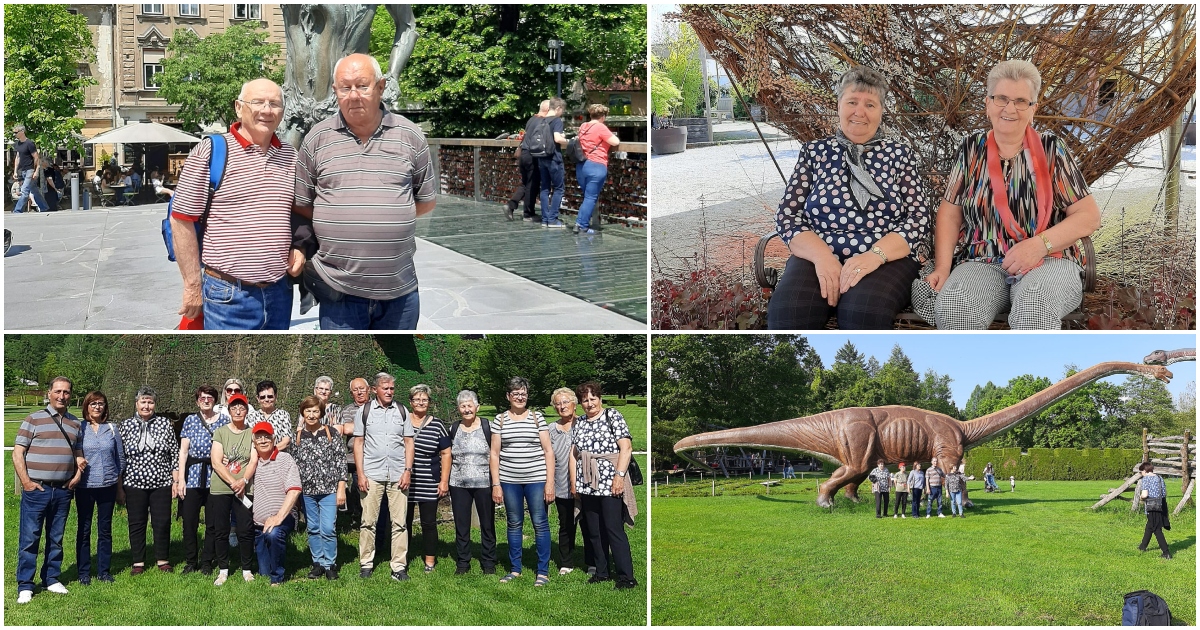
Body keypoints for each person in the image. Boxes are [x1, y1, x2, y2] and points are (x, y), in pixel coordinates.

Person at [911, 60, 1101, 329]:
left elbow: (1089, 216)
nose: (1010, 108)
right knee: (955, 304)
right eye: (1001, 98)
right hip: (982, 259)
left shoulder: (1051, 150)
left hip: (1049, 260)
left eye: (1021, 101)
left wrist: (1039, 245)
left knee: (1034, 303)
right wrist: (942, 267)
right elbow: (950, 213)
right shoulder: (971, 150)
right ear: (988, 104)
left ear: (1033, 109)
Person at [768, 66, 930, 330]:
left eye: (870, 104)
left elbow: (918, 217)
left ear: (881, 111)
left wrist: (874, 255)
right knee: (789, 312)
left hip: (884, 256)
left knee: (862, 312)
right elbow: (788, 215)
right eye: (852, 102)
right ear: (839, 105)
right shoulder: (815, 153)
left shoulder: (900, 155)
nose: (860, 111)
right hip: (819, 252)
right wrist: (823, 257)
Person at [293, 53, 438, 330]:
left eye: (362, 85)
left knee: (399, 368)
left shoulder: (411, 135)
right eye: (345, 87)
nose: (354, 95)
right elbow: (303, 204)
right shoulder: (316, 139)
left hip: (400, 291)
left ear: (380, 87)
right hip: (339, 292)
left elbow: (425, 201)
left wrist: (390, 215)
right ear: (335, 91)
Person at [169, 78, 301, 330]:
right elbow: (181, 219)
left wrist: (299, 246)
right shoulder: (211, 152)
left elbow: (297, 213)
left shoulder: (290, 156)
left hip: (279, 294)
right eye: (257, 102)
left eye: (274, 104)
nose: (266, 110)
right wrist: (192, 286)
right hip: (227, 296)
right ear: (239, 108)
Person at [13, 377, 86, 604]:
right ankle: (25, 584)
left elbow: (79, 455)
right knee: (30, 537)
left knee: (56, 538)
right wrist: (25, 482)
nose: (62, 396)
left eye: (66, 392)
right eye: (58, 391)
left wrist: (77, 476)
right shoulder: (33, 419)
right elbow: (17, 453)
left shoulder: (75, 423)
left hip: (63, 491)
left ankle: (51, 578)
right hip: (37, 489)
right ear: (49, 393)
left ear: (70, 395)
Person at [571, 381, 637, 589]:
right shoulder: (579, 422)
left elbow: (626, 448)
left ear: (600, 398)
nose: (590, 404)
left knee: (613, 528)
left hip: (610, 481)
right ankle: (601, 572)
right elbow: (574, 454)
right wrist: (574, 483)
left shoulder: (612, 416)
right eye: (585, 400)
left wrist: (619, 477)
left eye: (593, 399)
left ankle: (626, 576)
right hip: (587, 482)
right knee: (594, 530)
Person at [490, 376, 555, 586]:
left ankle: (542, 571)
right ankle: (515, 568)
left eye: (523, 393)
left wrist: (549, 482)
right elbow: (494, 454)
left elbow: (548, 451)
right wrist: (496, 483)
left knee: (540, 523)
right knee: (514, 523)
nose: (520, 397)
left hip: (536, 478)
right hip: (509, 480)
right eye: (516, 393)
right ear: (508, 396)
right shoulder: (499, 420)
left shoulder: (537, 418)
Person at [353, 371, 416, 581]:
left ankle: (398, 567)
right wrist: (360, 474)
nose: (389, 392)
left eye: (392, 388)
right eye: (385, 388)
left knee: (399, 523)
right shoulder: (365, 411)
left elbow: (409, 442)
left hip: (398, 474)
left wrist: (407, 471)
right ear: (375, 390)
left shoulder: (402, 411)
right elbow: (359, 444)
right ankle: (366, 563)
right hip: (372, 473)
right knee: (368, 521)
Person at [117, 386, 180, 574]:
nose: (146, 405)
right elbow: (119, 457)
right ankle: (138, 561)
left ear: (155, 404)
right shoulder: (125, 426)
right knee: (137, 522)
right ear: (136, 404)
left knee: (162, 522)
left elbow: (174, 455)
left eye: (150, 402)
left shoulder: (165, 424)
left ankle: (163, 559)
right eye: (143, 401)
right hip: (133, 483)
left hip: (161, 482)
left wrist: (175, 481)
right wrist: (119, 487)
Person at [294, 395, 349, 580]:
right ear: (303, 413)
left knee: (328, 528)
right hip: (308, 492)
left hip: (329, 491)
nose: (311, 415)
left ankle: (330, 563)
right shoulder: (298, 436)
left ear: (321, 413)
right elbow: (293, 464)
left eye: (315, 411)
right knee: (313, 528)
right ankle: (317, 563)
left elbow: (341, 462)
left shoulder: (331, 433)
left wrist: (341, 488)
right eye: (308, 411)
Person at [176, 385, 230, 575]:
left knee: (212, 523)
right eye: (202, 398)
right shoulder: (190, 420)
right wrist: (180, 479)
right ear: (197, 401)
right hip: (192, 476)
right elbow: (183, 452)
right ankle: (191, 560)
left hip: (215, 477)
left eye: (209, 398)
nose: (206, 400)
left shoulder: (224, 421)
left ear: (215, 401)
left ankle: (207, 560)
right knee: (189, 521)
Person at [209, 392, 259, 585]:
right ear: (228, 410)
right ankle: (223, 569)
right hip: (221, 488)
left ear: (247, 410)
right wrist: (233, 482)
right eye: (234, 407)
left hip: (245, 488)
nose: (238, 410)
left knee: (245, 528)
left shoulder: (252, 432)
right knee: (220, 529)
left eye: (242, 407)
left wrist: (243, 482)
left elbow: (253, 460)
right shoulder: (220, 432)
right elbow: (216, 461)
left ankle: (246, 568)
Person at [75, 391, 123, 586]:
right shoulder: (79, 428)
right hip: (85, 486)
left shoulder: (111, 428)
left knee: (105, 529)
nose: (97, 407)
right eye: (93, 403)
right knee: (84, 529)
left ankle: (104, 571)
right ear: (86, 406)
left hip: (108, 486)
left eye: (101, 403)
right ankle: (83, 572)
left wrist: (119, 488)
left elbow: (120, 459)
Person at [247, 422, 302, 585]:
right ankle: (269, 570)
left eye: (267, 437)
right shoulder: (252, 462)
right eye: (259, 438)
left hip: (282, 519)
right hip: (258, 525)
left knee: (273, 533)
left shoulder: (285, 459)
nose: (263, 441)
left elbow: (295, 490)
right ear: (254, 441)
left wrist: (278, 517)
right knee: (263, 573)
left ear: (274, 438)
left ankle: (277, 578)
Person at [448, 390, 497, 575]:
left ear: (477, 407)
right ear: (459, 408)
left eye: (470, 405)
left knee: (487, 524)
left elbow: (495, 454)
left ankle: (489, 562)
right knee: (461, 525)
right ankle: (463, 562)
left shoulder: (488, 426)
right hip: (458, 483)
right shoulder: (454, 428)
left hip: (484, 482)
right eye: (463, 406)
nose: (467, 409)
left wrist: (496, 483)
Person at [403, 384, 450, 572]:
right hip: (405, 481)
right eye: (417, 399)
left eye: (424, 399)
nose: (421, 403)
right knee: (402, 522)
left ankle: (430, 560)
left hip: (429, 480)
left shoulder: (437, 425)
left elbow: (446, 453)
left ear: (429, 403)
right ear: (410, 402)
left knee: (428, 522)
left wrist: (444, 480)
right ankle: (401, 559)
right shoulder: (402, 421)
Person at [549, 387, 592, 575]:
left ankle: (592, 561)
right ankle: (566, 562)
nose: (562, 406)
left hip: (587, 484)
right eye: (557, 403)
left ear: (575, 404)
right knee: (566, 524)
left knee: (589, 523)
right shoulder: (551, 429)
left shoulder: (585, 424)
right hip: (561, 485)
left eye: (565, 402)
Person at [572, 104, 622, 234]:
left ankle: (580, 223)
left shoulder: (583, 126)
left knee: (587, 197)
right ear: (603, 116)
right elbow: (615, 142)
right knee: (591, 197)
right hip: (597, 165)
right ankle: (582, 225)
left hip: (582, 165)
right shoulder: (601, 127)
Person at [534, 98, 569, 228]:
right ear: (558, 108)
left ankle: (545, 219)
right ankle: (553, 219)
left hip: (541, 157)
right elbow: (557, 138)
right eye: (562, 110)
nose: (562, 113)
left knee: (544, 188)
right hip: (554, 158)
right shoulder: (557, 120)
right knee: (559, 188)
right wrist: (569, 141)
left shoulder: (541, 120)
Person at [511, 101, 546, 221]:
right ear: (547, 110)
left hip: (523, 154)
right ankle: (528, 213)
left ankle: (511, 205)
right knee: (532, 184)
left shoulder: (531, 119)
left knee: (525, 183)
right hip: (532, 155)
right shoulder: (542, 121)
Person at [11, 123, 50, 213]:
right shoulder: (17, 144)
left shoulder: (29, 143)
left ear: (22, 132)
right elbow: (18, 157)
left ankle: (17, 210)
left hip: (30, 170)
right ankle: (44, 207)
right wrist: (15, 171)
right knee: (34, 190)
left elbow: (36, 157)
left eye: (16, 132)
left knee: (24, 191)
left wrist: (36, 171)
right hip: (22, 170)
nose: (15, 134)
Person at [1137, 462, 1171, 559]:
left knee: (1156, 529)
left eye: (1141, 472)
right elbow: (1164, 493)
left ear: (1145, 470)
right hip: (1161, 505)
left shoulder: (1146, 479)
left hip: (1152, 507)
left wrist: (1141, 497)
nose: (1141, 474)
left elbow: (1145, 495)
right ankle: (1142, 546)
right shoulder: (1160, 478)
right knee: (1149, 526)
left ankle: (1166, 552)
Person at [249, 379, 292, 451]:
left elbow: (286, 441)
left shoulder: (283, 415)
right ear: (258, 398)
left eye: (270, 396)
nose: (266, 399)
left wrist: (268, 452)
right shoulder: (251, 417)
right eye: (262, 397)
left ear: (275, 396)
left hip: (278, 457)